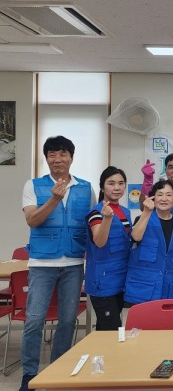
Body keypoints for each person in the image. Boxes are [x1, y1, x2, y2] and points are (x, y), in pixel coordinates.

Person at [20, 136, 95, 391]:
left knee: (67, 320)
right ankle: (29, 374)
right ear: (46, 159)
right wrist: (53, 199)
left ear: (71, 157)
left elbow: (92, 223)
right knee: (34, 320)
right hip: (41, 263)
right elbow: (32, 220)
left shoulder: (85, 187)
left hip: (74, 262)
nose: (57, 159)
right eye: (52, 155)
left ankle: (57, 370)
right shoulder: (33, 185)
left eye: (63, 154)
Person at [124, 179, 173, 305]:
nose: (164, 199)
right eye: (160, 195)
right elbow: (136, 237)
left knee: (171, 318)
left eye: (169, 195)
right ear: (153, 198)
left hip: (172, 287)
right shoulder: (143, 218)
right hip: (144, 288)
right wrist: (147, 212)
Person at [85, 166, 131, 331]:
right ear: (102, 187)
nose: (117, 187)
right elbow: (99, 241)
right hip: (103, 281)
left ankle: (99, 349)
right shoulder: (96, 213)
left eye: (121, 183)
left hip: (121, 277)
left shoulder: (125, 212)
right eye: (111, 183)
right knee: (112, 329)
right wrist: (107, 218)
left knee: (105, 329)